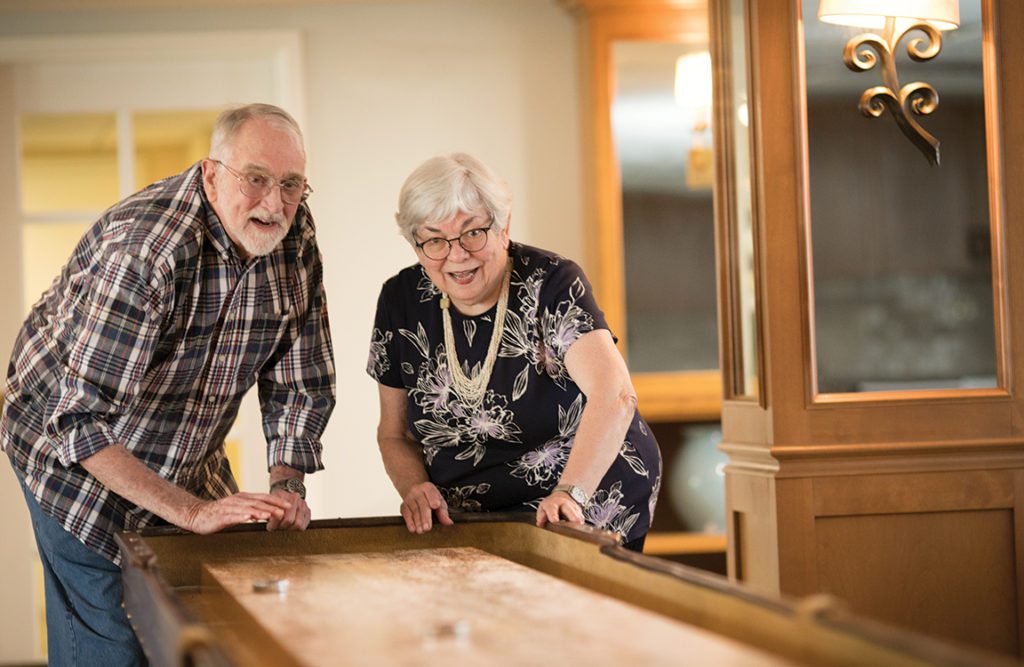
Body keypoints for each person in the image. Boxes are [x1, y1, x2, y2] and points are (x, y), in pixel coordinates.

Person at [1, 103, 336, 665]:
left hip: (180, 442)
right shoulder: (146, 249)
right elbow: (78, 421)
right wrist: (192, 512)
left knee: (198, 615)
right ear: (211, 173)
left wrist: (288, 486)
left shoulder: (294, 238)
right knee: (114, 636)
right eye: (255, 179)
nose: (274, 203)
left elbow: (300, 379)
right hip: (65, 446)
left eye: (291, 184)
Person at [367, 153, 660, 551]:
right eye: (434, 239)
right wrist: (415, 487)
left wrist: (570, 494)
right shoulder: (400, 301)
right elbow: (394, 433)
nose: (456, 255)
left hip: (580, 494)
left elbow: (615, 395)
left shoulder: (552, 283)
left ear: (503, 226)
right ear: (416, 245)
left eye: (473, 232)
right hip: (471, 515)